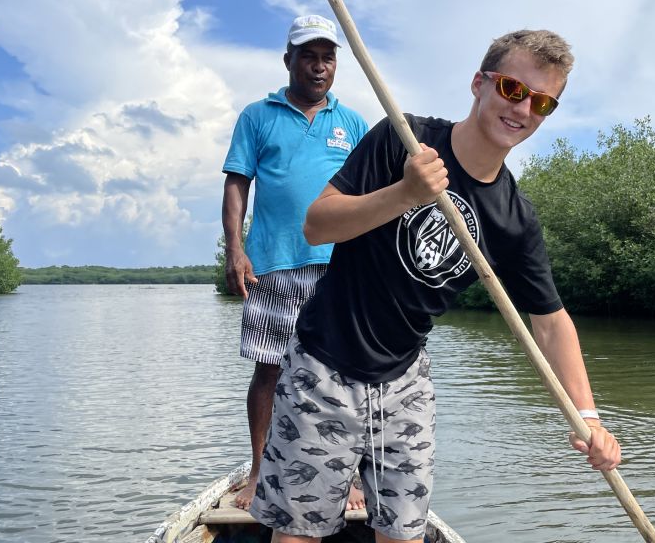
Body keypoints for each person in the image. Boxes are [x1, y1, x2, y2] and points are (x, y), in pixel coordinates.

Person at [249, 29, 623, 542]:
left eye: (543, 102)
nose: (524, 109)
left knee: (404, 535)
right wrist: (406, 191)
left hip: (405, 381)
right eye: (514, 89)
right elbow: (318, 224)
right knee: (297, 533)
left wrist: (589, 418)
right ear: (480, 84)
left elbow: (551, 321)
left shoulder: (513, 218)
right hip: (323, 364)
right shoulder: (404, 139)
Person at [221, 15, 369, 510]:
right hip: (272, 264)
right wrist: (235, 248)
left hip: (339, 267)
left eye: (328, 57)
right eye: (308, 55)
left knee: (342, 374)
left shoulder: (352, 124)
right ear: (288, 60)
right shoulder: (258, 115)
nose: (319, 66)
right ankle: (260, 470)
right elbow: (237, 183)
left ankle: (344, 477)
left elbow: (370, 195)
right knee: (269, 370)